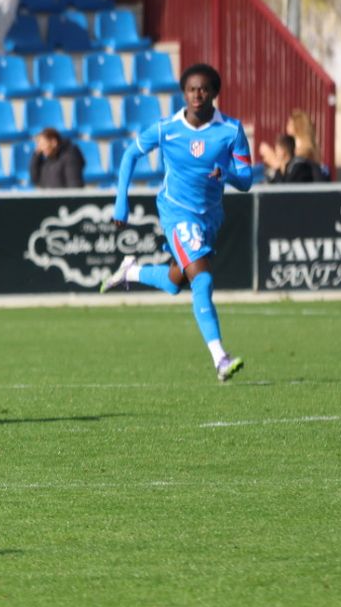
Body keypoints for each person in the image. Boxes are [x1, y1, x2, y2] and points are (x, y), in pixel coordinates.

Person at [102, 64, 252, 383]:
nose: (197, 95)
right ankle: (220, 358)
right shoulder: (166, 128)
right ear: (183, 93)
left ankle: (131, 271)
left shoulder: (231, 130)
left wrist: (226, 175)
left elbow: (247, 179)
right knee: (203, 281)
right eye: (191, 89)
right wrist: (121, 201)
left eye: (204, 89)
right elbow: (130, 154)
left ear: (214, 92)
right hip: (176, 212)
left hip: (209, 217)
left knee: (174, 281)